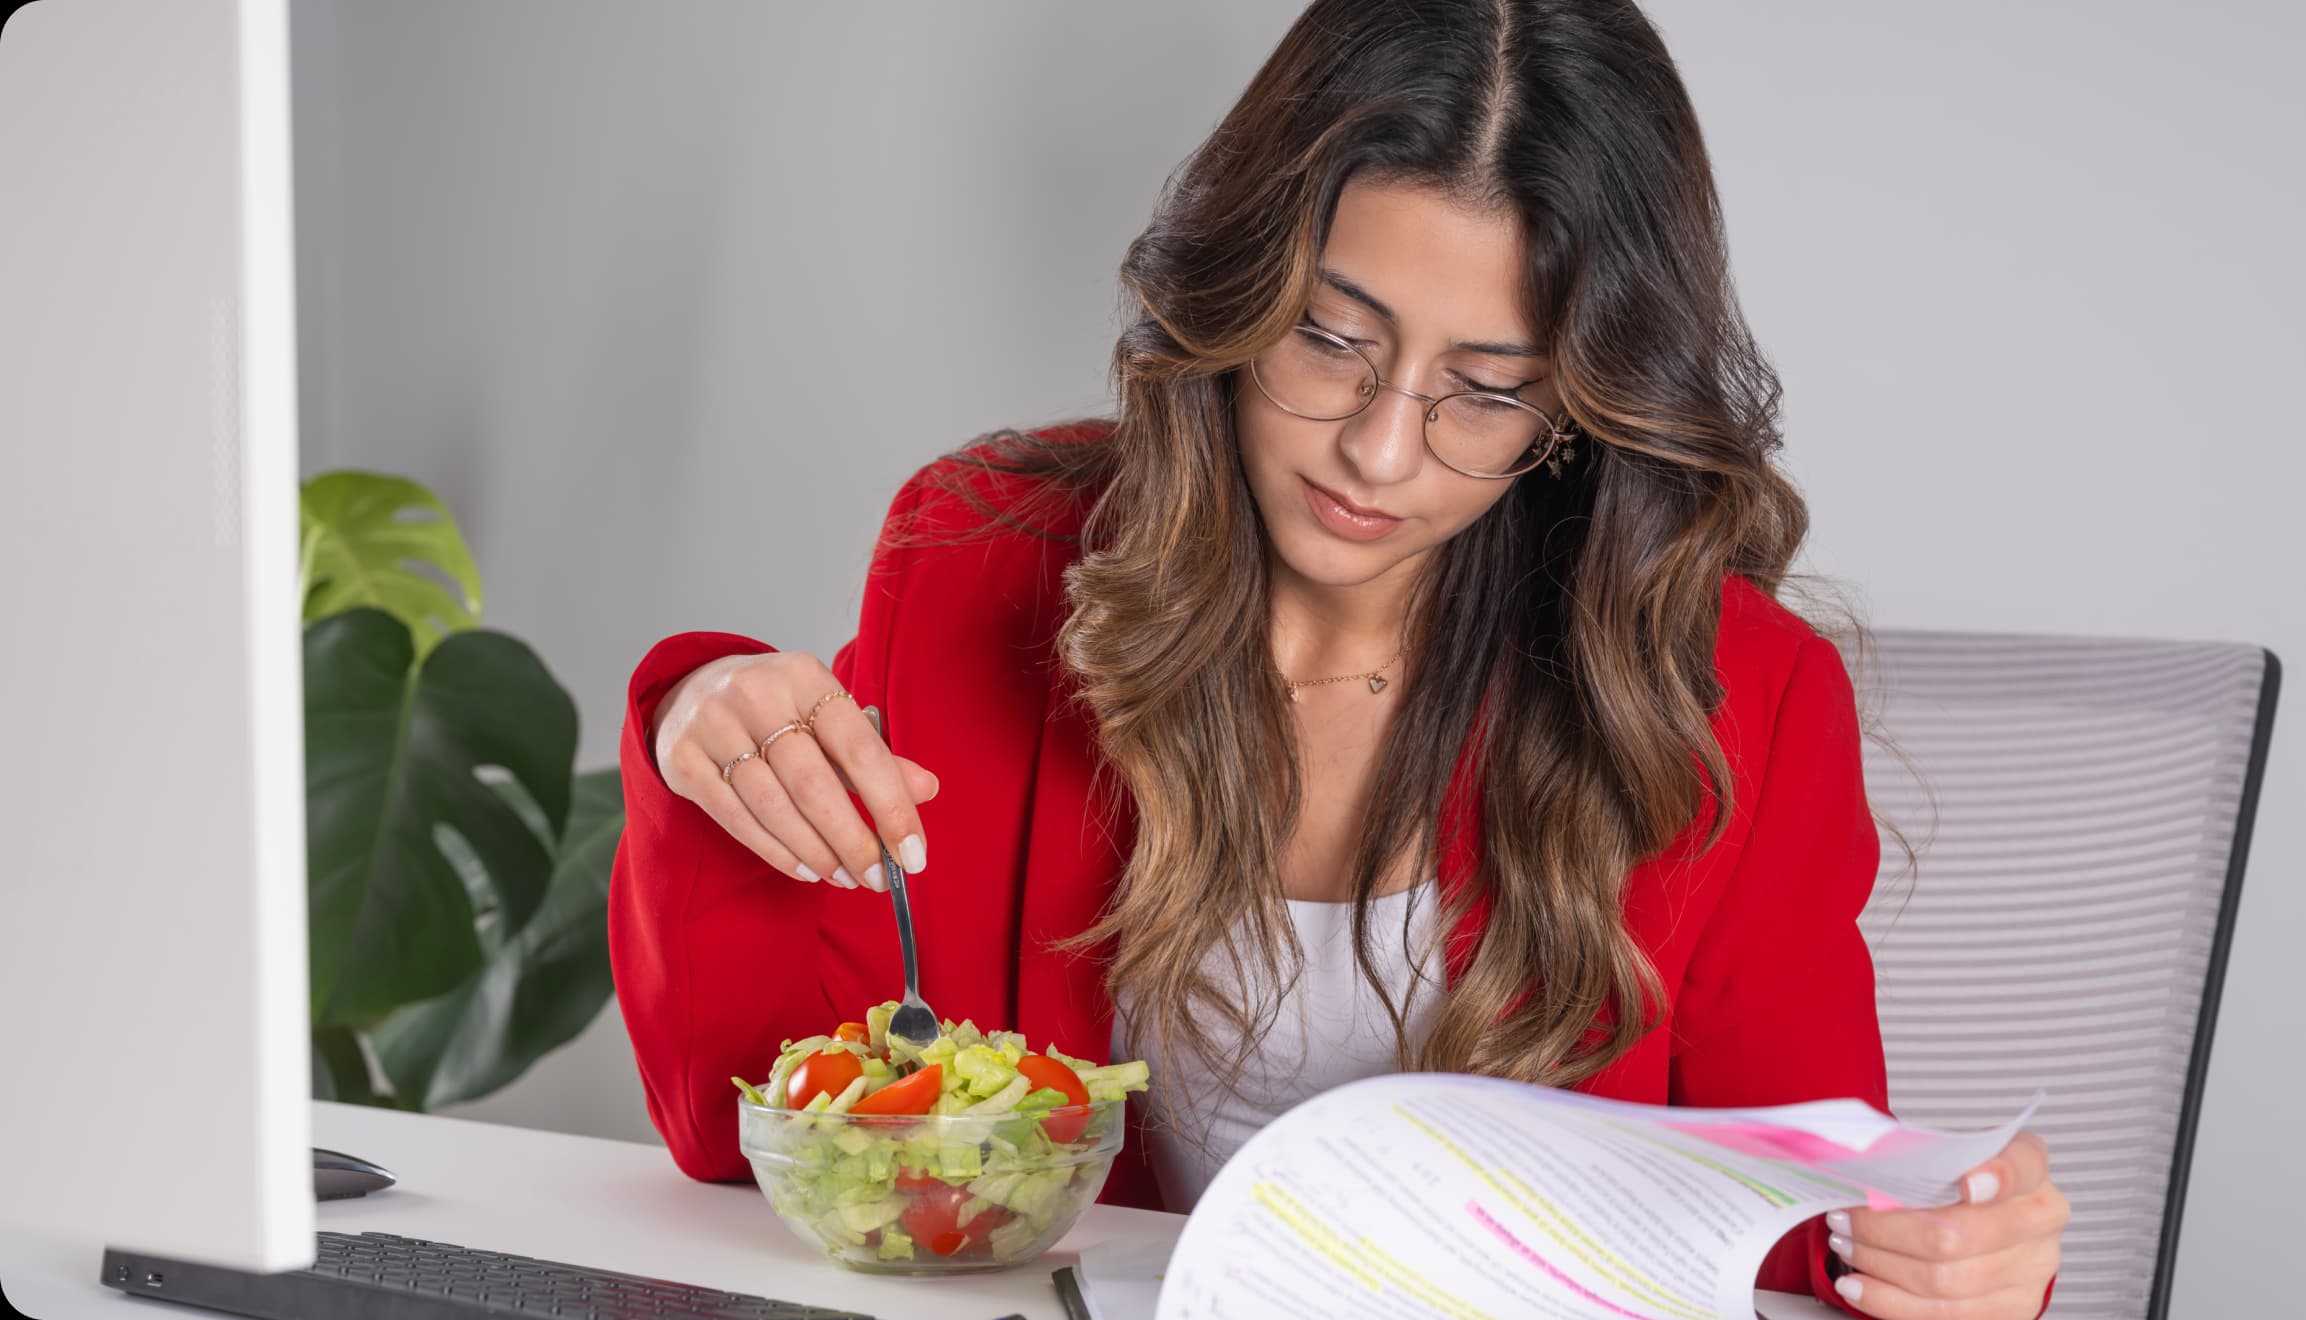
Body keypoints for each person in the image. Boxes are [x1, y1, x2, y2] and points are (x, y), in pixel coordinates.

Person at [609, 1, 2067, 1314]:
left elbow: (1797, 1240)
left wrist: (1962, 1257)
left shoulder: (1734, 697)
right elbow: (748, 1133)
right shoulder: (985, 556)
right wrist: (697, 712)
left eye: (1486, 393)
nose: (1378, 451)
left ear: (1577, 409)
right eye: (1329, 340)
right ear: (1236, 291)